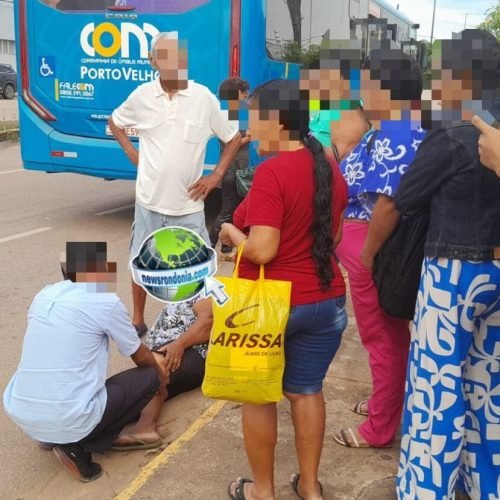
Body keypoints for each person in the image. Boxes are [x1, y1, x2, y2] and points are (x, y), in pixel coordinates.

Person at [361, 30, 500, 499]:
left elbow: (404, 201)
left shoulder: (456, 129)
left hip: (453, 276)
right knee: (487, 390)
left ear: (460, 77)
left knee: (434, 392)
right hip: (498, 277)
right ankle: (486, 486)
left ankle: (424, 491)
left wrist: (369, 253)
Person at [220, 79, 348, 500]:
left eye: (254, 119)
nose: (250, 130)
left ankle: (263, 491)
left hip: (272, 307)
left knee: (259, 397)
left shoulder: (272, 171)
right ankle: (310, 488)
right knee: (305, 391)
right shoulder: (327, 165)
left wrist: (230, 234)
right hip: (327, 302)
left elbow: (261, 249)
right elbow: (337, 233)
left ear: (276, 121)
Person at [108, 32, 241, 336]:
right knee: (141, 263)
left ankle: (199, 323)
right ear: (153, 62)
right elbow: (115, 121)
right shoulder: (142, 96)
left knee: (199, 269)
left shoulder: (202, 98)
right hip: (148, 202)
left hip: (188, 206)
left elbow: (232, 137)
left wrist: (217, 174)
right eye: (164, 57)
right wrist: (132, 152)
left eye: (178, 56)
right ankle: (138, 320)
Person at [3, 243, 167, 483]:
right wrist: (161, 376)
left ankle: (50, 435)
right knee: (150, 376)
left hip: (22, 413)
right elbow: (140, 355)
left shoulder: (44, 294)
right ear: (100, 273)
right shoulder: (105, 301)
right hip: (69, 417)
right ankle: (80, 445)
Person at [333, 45, 426, 449]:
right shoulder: (387, 128)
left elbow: (386, 203)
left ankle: (380, 427)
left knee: (382, 337)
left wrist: (367, 257)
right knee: (386, 336)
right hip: (362, 243)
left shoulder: (399, 131)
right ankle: (385, 401)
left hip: (372, 246)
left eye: (369, 84)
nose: (363, 93)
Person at [209, 77, 252, 257]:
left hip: (237, 167)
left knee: (236, 209)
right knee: (227, 209)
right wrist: (249, 137)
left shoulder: (234, 113)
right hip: (231, 169)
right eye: (244, 93)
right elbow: (229, 144)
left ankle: (226, 247)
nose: (246, 97)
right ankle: (209, 243)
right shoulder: (228, 114)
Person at [145, 297, 213, 400]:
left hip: (192, 346)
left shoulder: (212, 286)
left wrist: (179, 344)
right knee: (146, 390)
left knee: (152, 377)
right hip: (166, 342)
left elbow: (208, 321)